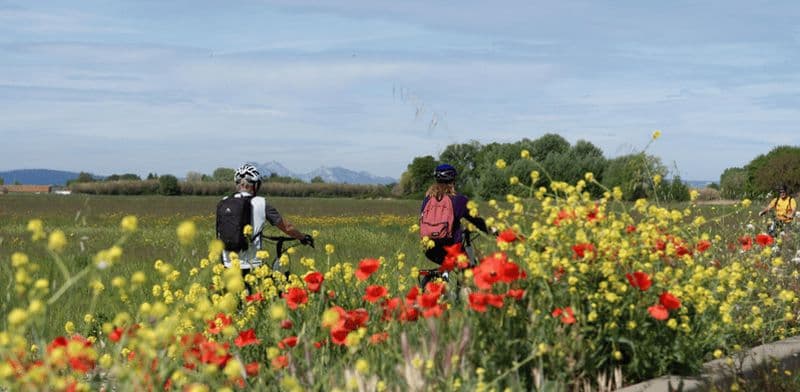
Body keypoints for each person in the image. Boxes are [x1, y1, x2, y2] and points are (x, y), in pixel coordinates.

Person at [219, 163, 314, 277]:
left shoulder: (223, 202)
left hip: (227, 263)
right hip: (251, 264)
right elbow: (287, 227)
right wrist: (303, 237)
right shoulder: (261, 203)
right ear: (255, 185)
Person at [419, 164, 490, 267]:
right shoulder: (459, 200)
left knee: (447, 266)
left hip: (429, 249)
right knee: (469, 270)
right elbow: (477, 220)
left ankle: (441, 275)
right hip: (451, 249)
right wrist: (492, 231)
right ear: (453, 180)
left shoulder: (427, 199)